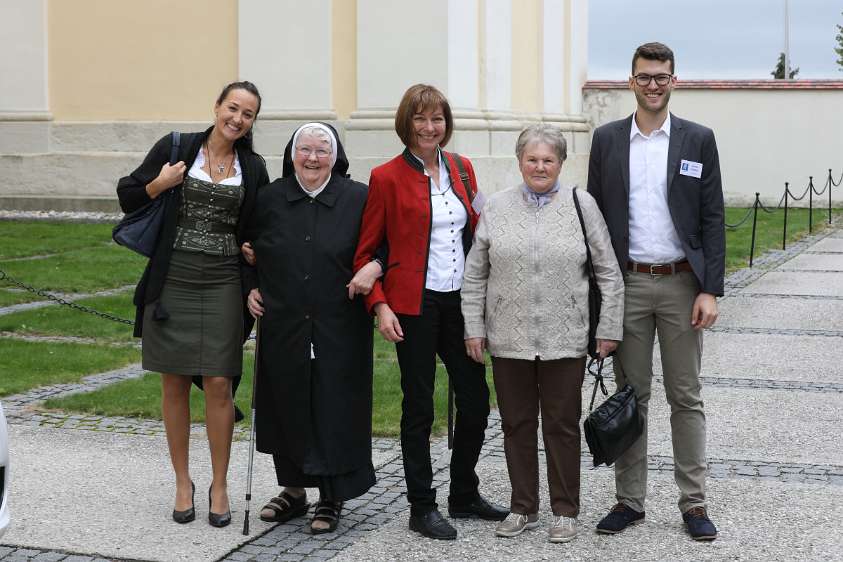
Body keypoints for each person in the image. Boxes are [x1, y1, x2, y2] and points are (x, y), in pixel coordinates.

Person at [353, 84, 507, 541]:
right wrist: (380, 305)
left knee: (475, 401)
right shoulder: (385, 177)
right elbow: (367, 252)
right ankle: (421, 506)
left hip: (461, 303)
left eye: (437, 118)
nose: (429, 127)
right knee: (418, 407)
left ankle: (463, 493)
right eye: (420, 118)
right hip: (413, 306)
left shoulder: (462, 168)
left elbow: (479, 228)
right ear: (406, 123)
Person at [586, 42, 725, 541]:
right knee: (632, 396)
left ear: (673, 80)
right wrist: (601, 295)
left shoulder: (697, 139)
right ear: (631, 81)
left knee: (685, 397)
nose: (652, 85)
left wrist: (710, 289)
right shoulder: (607, 140)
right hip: (627, 285)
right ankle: (630, 501)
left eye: (661, 77)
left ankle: (694, 503)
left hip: (682, 284)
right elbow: (596, 220)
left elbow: (712, 217)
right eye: (644, 77)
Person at [461, 124, 623, 543]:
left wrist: (608, 327)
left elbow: (608, 272)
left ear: (561, 163)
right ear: (519, 162)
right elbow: (475, 275)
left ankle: (565, 511)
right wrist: (474, 327)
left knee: (561, 426)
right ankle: (523, 507)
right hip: (508, 337)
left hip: (564, 338)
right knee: (515, 424)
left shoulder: (581, 205)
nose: (539, 166)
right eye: (531, 159)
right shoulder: (497, 207)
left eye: (548, 159)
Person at [116, 81, 268, 528]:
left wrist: (254, 252)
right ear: (217, 107)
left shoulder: (252, 167)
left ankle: (219, 485)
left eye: (248, 114)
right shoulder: (177, 147)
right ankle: (183, 482)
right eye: (232, 108)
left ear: (253, 122)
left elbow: (258, 226)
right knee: (175, 381)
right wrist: (159, 184)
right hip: (174, 278)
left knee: (219, 381)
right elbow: (127, 194)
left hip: (223, 281)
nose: (237, 119)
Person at [244, 123, 381, 534]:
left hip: (339, 323)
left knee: (333, 405)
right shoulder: (270, 198)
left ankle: (331, 495)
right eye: (305, 149)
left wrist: (375, 267)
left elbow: (386, 244)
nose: (313, 158)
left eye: (322, 150)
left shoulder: (358, 198)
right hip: (284, 321)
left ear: (335, 157)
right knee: (285, 401)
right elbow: (245, 247)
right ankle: (293, 491)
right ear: (292, 155)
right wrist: (250, 286)